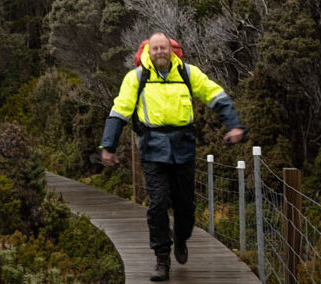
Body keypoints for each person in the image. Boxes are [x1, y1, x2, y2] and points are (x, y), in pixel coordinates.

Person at [100, 32, 247, 282]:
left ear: (171, 50)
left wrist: (234, 125)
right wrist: (108, 146)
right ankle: (161, 259)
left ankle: (180, 237)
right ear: (148, 51)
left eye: (163, 48)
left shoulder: (188, 73)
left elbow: (215, 95)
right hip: (152, 148)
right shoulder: (136, 77)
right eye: (155, 48)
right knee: (157, 204)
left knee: (185, 207)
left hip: (183, 146)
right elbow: (119, 110)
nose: (159, 52)